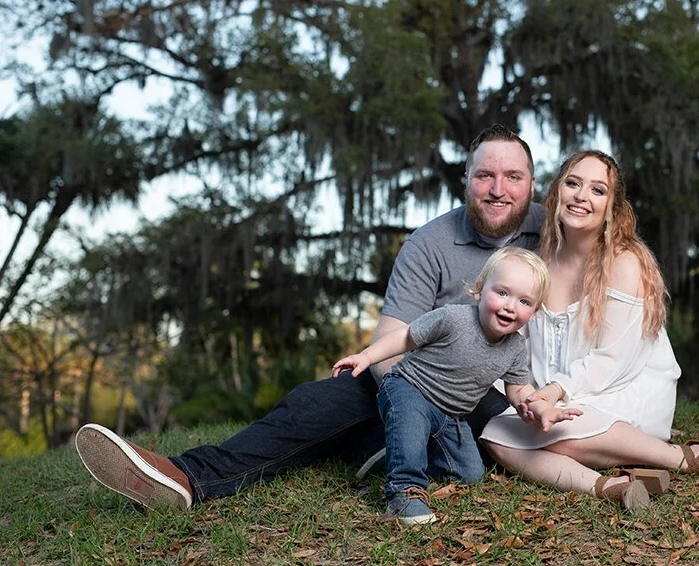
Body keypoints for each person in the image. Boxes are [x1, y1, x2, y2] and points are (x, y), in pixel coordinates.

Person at [74, 125, 544, 509]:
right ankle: (184, 478)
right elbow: (391, 341)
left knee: (433, 437)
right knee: (316, 405)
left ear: (532, 182)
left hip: (492, 389)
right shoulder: (430, 243)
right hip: (416, 378)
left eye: (513, 177)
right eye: (485, 175)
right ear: (465, 178)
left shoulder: (553, 229)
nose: (498, 189)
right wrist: (411, 407)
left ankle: (378, 444)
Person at [481, 150, 699, 514]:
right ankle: (609, 486)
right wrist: (529, 398)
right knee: (496, 436)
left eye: (597, 190)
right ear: (557, 194)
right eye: (573, 184)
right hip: (556, 400)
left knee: (559, 436)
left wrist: (553, 393)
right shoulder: (538, 264)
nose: (581, 196)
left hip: (620, 390)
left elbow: (612, 361)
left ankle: (682, 457)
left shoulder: (625, 262)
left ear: (612, 207)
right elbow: (520, 347)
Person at [330, 247, 578, 524]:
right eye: (502, 293)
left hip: (450, 414)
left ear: (533, 312)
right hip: (409, 387)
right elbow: (405, 338)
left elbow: (519, 390)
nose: (510, 306)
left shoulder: (515, 348)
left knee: (468, 473)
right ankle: (405, 492)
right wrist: (366, 356)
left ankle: (400, 450)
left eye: (524, 301)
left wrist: (540, 409)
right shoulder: (452, 318)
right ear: (479, 291)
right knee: (411, 420)